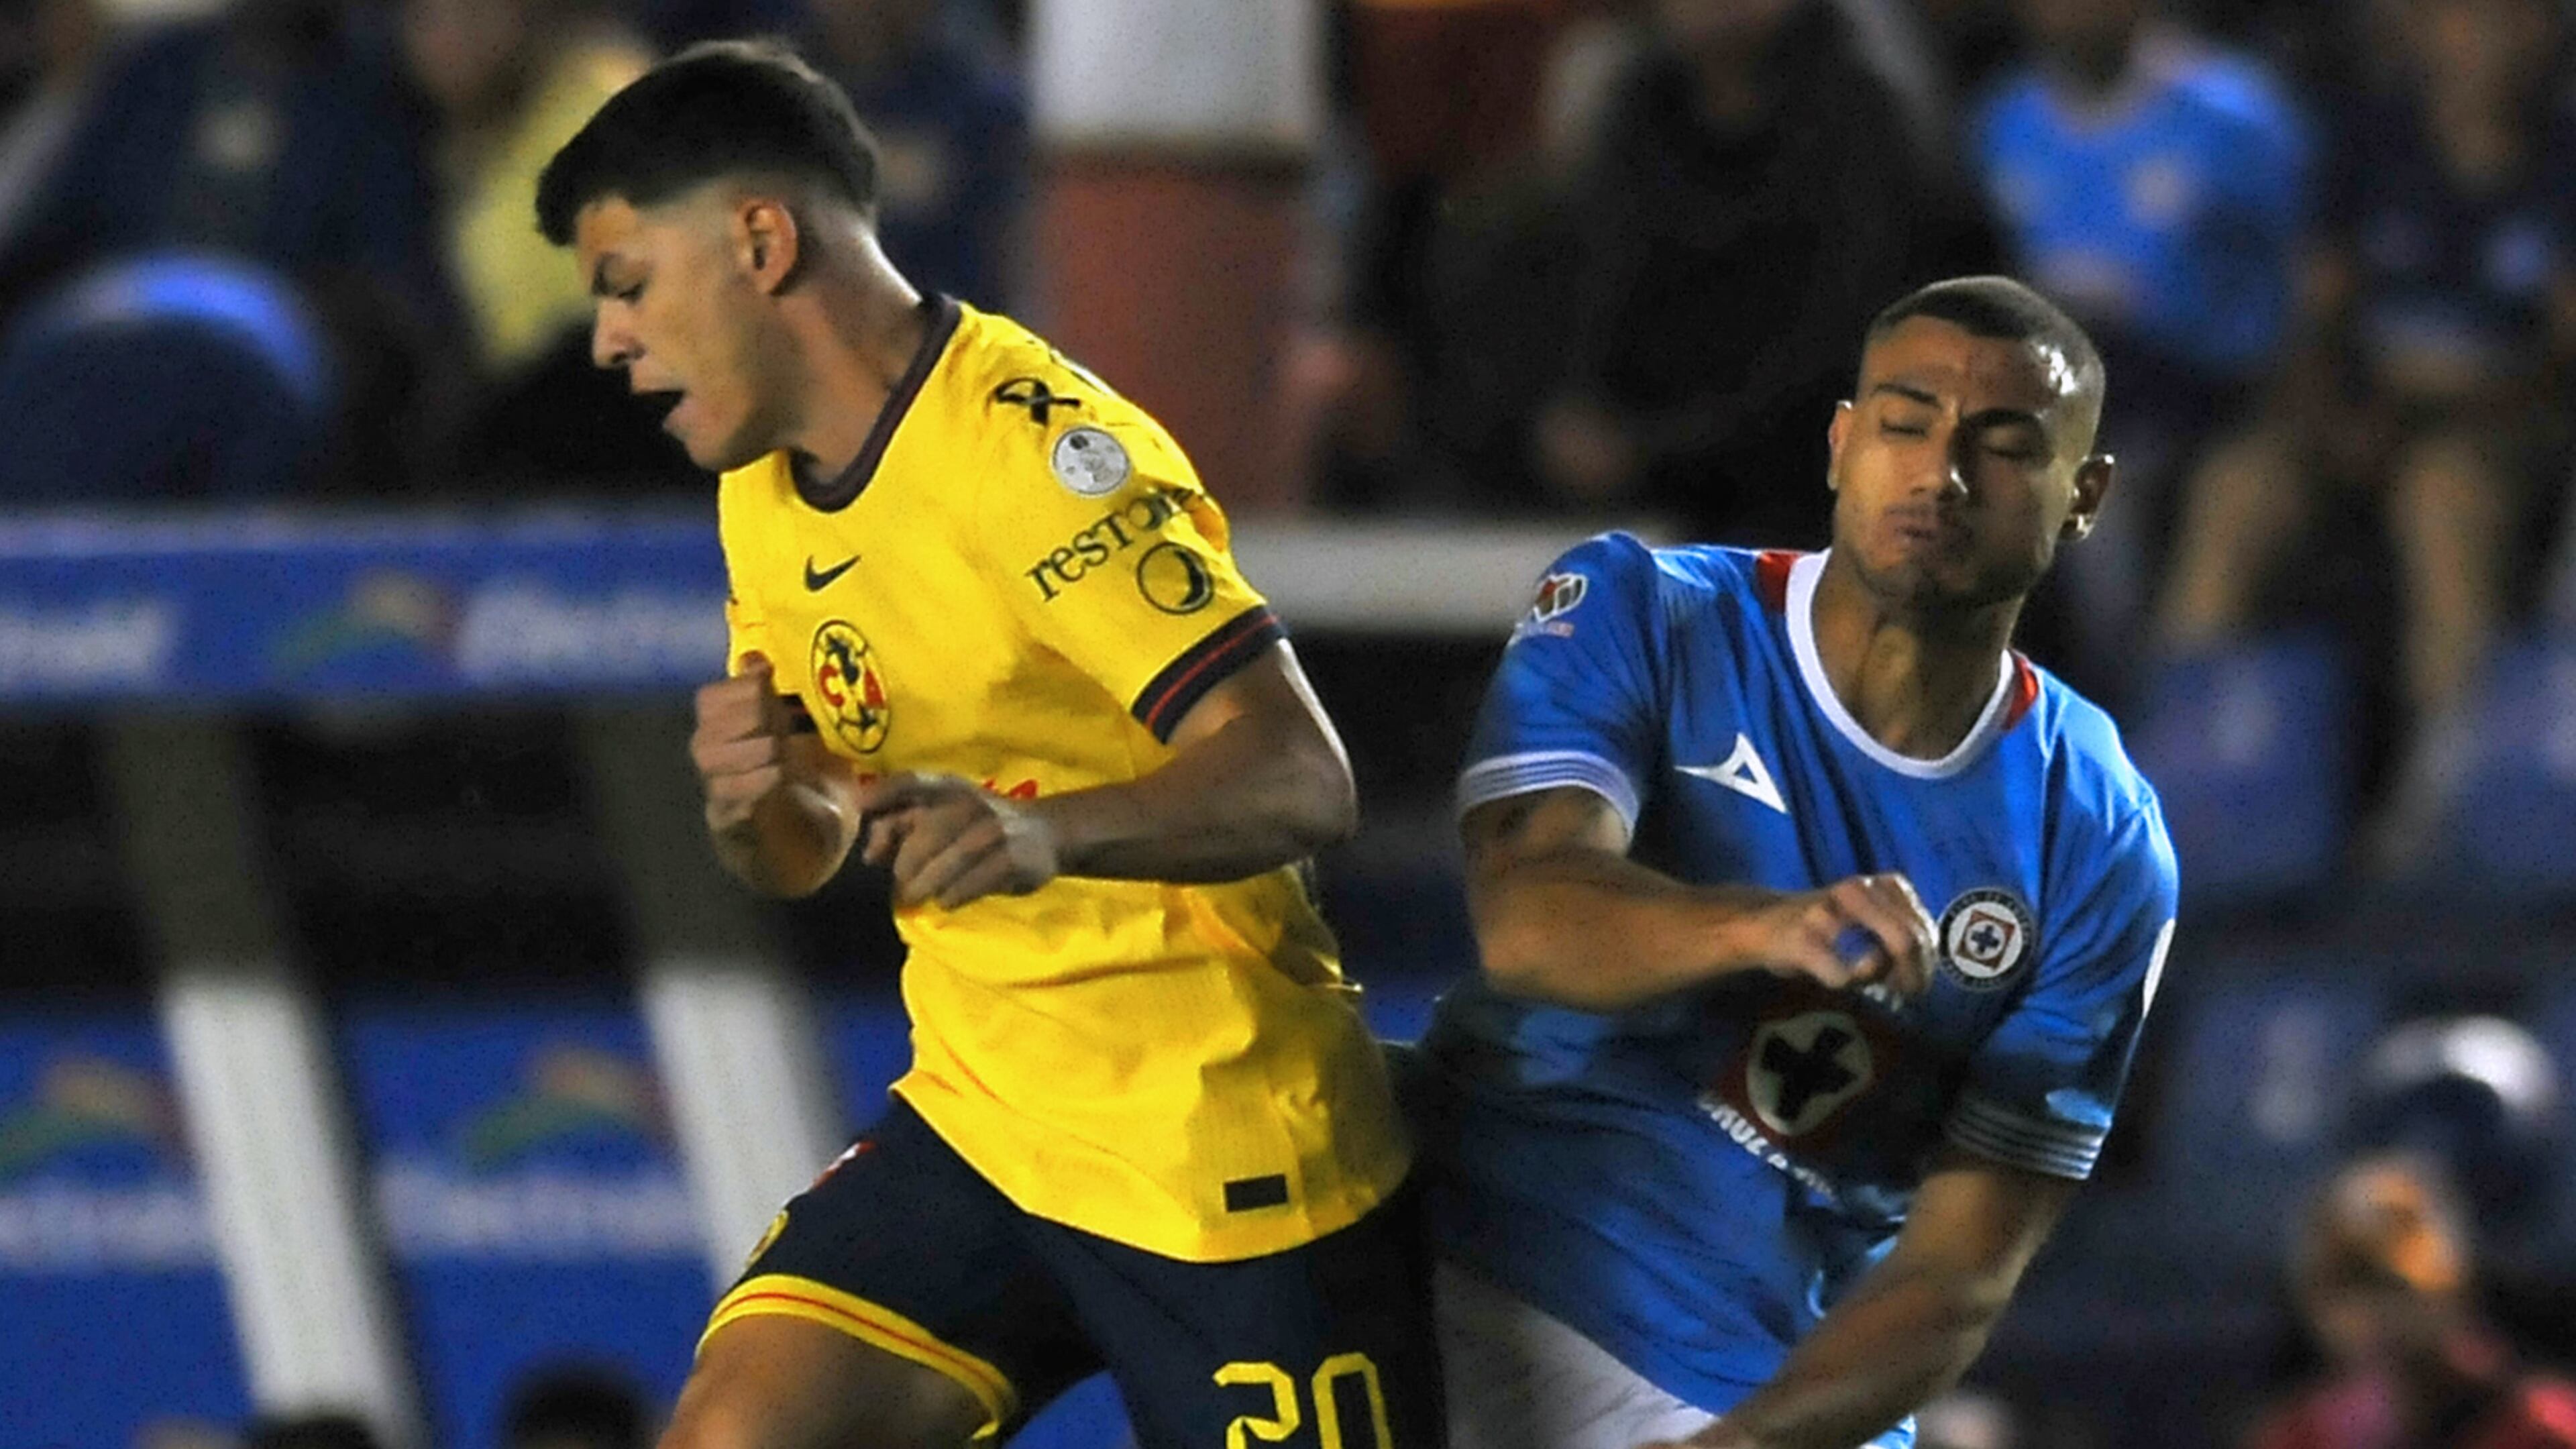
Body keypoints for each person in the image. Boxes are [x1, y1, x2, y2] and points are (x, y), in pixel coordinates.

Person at [535, 40, 1440, 1449]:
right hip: (987, 1122)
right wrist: (756, 804)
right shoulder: (763, 481)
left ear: (760, 243)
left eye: (627, 284)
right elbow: (808, 842)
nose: (606, 339)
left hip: (1219, 1153)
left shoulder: (1037, 456)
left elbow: (1299, 772)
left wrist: (1048, 833)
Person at [1409, 276, 2180, 1449]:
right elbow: (1528, 918)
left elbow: (1956, 1277)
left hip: (1744, 1386)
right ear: (1840, 444)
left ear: (2085, 497)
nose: (1941, 475)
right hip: (1465, 1255)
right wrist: (1763, 928)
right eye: (1904, 423)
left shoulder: (2100, 838)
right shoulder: (1645, 610)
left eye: (2005, 445)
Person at [2155, 0, 2576, 868]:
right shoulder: (2368, 144)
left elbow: (2561, 357)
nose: (2478, 43)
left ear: (2543, 34)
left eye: (2503, 22)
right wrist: (2333, 413)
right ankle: (2176, 760)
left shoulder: (2564, 157)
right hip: (2365, 411)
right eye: (2461, 21)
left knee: (2443, 498)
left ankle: (2445, 780)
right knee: (2240, 486)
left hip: (2499, 426)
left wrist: (2445, 410)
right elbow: (2316, 321)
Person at [1973, 0, 2308, 702]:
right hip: (2039, 397)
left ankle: (2133, 722)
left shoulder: (2236, 119)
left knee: (2095, 499)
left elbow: (2306, 280)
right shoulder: (2000, 121)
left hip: (2201, 401)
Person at [2246, 1155, 2576, 1449]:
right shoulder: (2299, 1435)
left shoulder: (2537, 1427)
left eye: (2393, 1286)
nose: (2372, 1317)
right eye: (2346, 1291)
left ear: (2450, 1289)